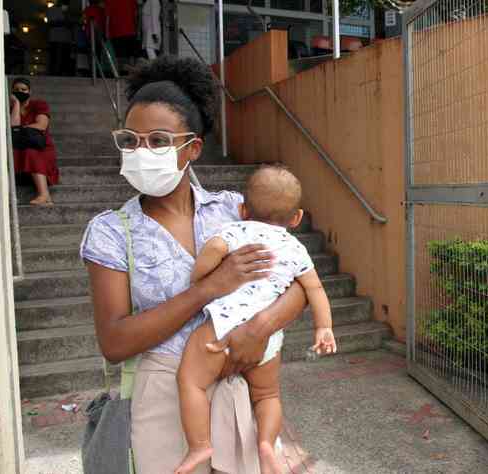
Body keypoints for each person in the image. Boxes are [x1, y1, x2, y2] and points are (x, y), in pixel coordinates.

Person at [80, 56, 307, 473]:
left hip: (238, 388)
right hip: (161, 400)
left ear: (193, 148)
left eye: (159, 140)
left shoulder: (232, 212)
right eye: (131, 140)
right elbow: (114, 342)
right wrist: (207, 288)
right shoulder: (112, 232)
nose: (141, 151)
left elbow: (297, 283)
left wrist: (259, 329)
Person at [176, 164, 338, 474]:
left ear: (242, 209)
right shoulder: (296, 248)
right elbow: (314, 289)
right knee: (267, 395)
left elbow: (211, 254)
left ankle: (199, 445)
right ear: (297, 218)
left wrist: (200, 276)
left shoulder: (234, 231)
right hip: (269, 340)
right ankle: (266, 444)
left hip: (221, 328)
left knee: (191, 381)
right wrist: (324, 327)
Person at [10, 78, 59, 205]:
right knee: (12, 154)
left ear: (29, 91)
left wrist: (21, 129)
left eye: (23, 89)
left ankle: (44, 194)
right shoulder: (10, 109)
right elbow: (13, 126)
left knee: (31, 152)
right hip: (20, 147)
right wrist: (16, 104)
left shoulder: (39, 105)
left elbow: (41, 125)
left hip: (41, 147)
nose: (20, 92)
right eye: (16, 90)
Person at [104, 0, 138, 73]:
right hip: (130, 30)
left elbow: (107, 17)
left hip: (116, 31)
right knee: (131, 55)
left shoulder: (109, 1)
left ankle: (122, 74)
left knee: (120, 56)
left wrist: (106, 33)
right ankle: (132, 73)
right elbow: (135, 14)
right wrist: (137, 29)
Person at [47, 4, 73, 76]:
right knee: (55, 58)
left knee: (65, 58)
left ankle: (63, 73)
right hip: (55, 39)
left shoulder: (69, 10)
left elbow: (71, 23)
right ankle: (54, 73)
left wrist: (65, 20)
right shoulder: (51, 10)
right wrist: (63, 22)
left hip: (66, 39)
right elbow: (50, 23)